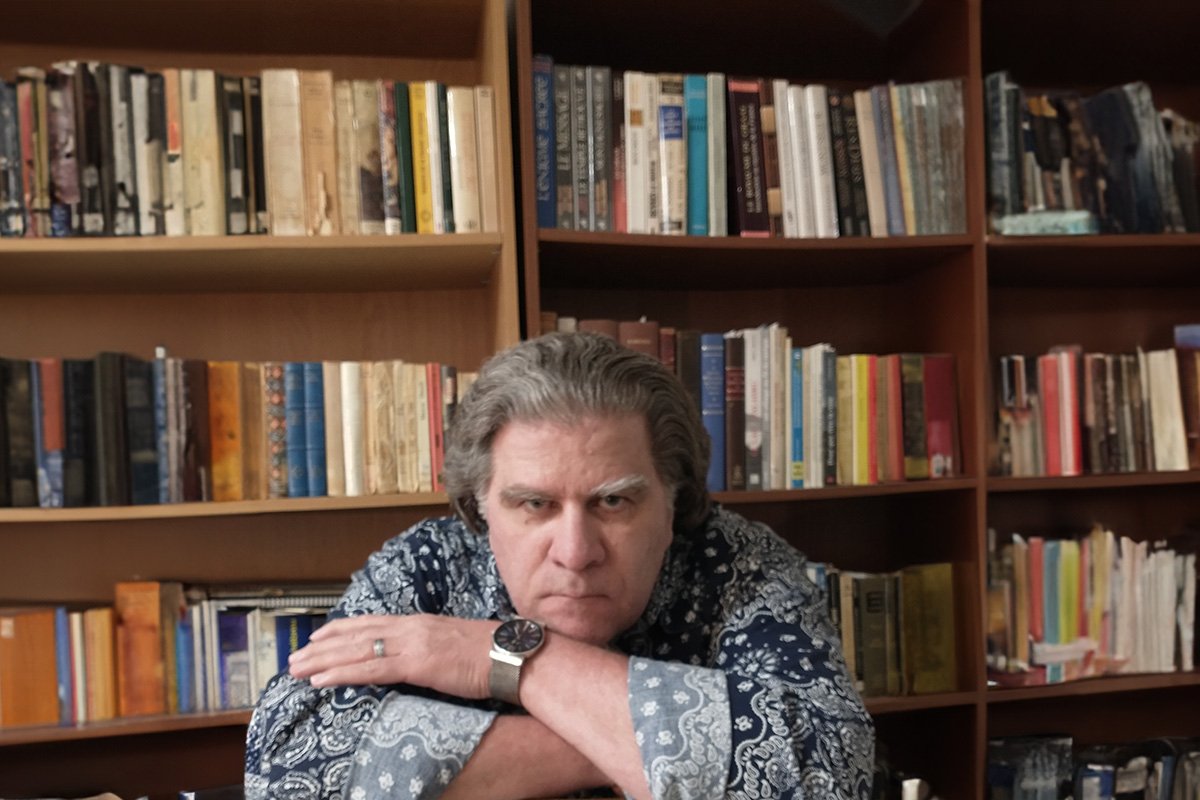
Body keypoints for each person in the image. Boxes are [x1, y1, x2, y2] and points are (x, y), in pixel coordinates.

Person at [244, 331, 874, 799]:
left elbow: (826, 772)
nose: (575, 551)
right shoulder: (427, 563)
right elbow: (289, 766)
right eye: (534, 505)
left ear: (673, 501)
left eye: (614, 502)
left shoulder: (742, 564)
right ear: (479, 506)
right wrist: (627, 747)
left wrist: (501, 657)